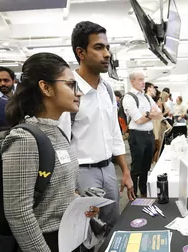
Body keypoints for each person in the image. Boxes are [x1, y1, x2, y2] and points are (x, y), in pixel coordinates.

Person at [2, 52, 99, 252]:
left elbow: (59, 189)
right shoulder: (24, 139)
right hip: (43, 249)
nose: (78, 92)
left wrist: (81, 203)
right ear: (46, 88)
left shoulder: (56, 133)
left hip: (65, 241)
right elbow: (18, 212)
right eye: (70, 84)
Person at [59, 21, 134, 234]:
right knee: (86, 231)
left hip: (108, 170)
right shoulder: (68, 90)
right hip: (81, 172)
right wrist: (68, 185)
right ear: (81, 53)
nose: (107, 54)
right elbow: (60, 142)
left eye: (107, 47)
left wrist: (125, 172)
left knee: (112, 226)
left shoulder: (107, 90)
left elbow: (114, 134)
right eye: (99, 47)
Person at [123, 71, 163, 197]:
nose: (143, 82)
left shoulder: (146, 97)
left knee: (146, 165)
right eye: (140, 79)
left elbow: (159, 113)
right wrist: (151, 114)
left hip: (149, 135)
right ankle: (133, 193)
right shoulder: (129, 97)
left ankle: (144, 191)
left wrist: (147, 115)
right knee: (137, 166)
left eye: (143, 79)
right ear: (132, 81)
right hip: (137, 136)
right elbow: (138, 120)